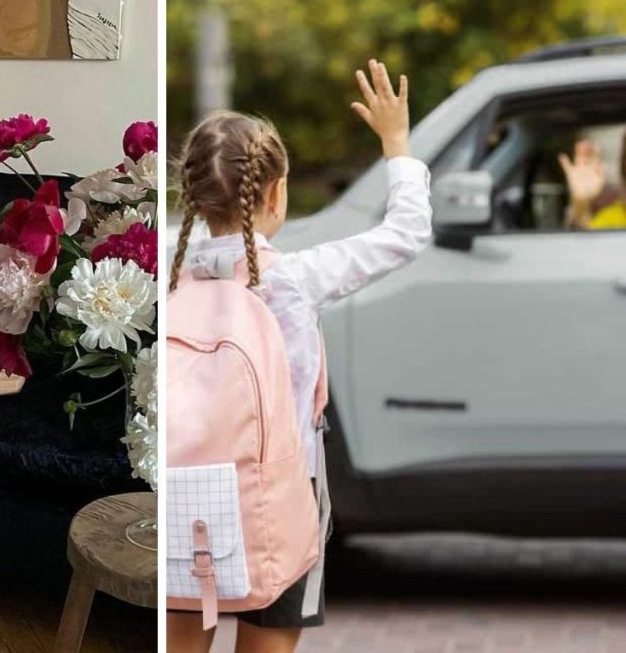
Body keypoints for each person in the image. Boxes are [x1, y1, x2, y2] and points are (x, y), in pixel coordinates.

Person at [166, 60, 432, 652]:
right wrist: (396, 143)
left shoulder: (174, 277)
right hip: (282, 493)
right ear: (276, 191)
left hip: (188, 490)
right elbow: (407, 233)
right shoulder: (295, 279)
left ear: (194, 196)